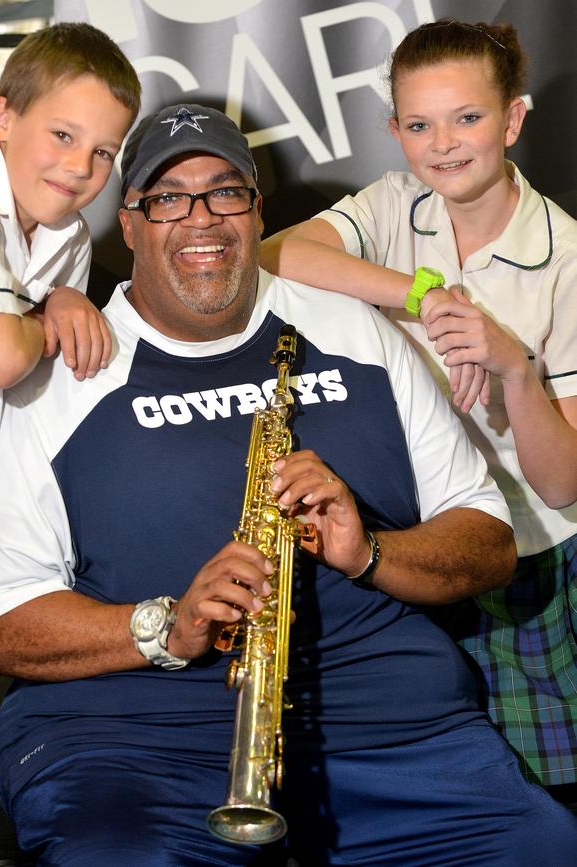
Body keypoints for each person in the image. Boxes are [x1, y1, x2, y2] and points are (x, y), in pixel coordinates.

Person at [0, 103, 577, 866]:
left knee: (543, 846)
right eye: (167, 197)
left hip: (395, 739)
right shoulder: (60, 372)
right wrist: (162, 626)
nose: (201, 218)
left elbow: (489, 542)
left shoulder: (359, 334)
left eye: (225, 191)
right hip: (130, 749)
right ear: (132, 224)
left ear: (256, 209)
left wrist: (373, 550)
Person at [260, 18, 577, 801]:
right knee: (436, 772)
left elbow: (564, 483)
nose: (444, 143)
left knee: (543, 785)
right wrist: (419, 293)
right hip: (415, 539)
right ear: (393, 129)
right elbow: (275, 255)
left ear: (512, 118)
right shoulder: (398, 203)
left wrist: (513, 364)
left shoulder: (565, 258)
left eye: (467, 118)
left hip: (527, 559)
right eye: (419, 123)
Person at [0, 22, 141, 836]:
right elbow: (7, 358)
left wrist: (59, 298)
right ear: (2, 116)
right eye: (62, 134)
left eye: (102, 152)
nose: (79, 168)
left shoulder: (68, 237)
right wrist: (53, 306)